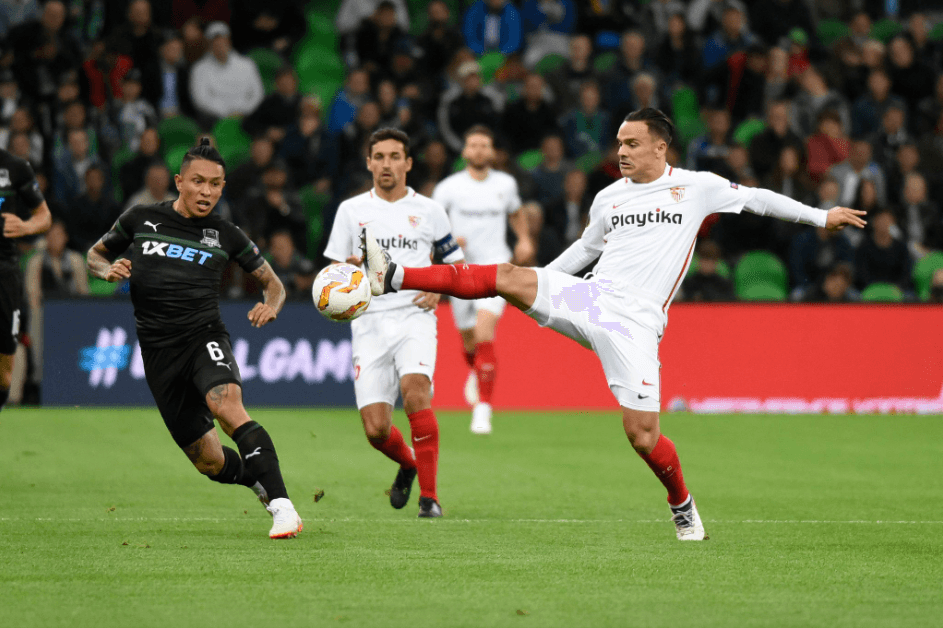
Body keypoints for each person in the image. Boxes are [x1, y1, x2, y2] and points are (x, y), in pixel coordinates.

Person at [361, 108, 867, 541]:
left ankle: (682, 504)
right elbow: (586, 249)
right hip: (593, 297)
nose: (621, 151)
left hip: (638, 323)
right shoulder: (609, 197)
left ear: (660, 147)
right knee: (509, 274)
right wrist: (530, 283)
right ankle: (398, 274)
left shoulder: (696, 187)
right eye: (619, 142)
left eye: (632, 143)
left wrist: (822, 218)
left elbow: (759, 197)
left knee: (643, 436)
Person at [85, 139, 302, 539]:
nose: (206, 192)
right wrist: (106, 270)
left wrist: (272, 304)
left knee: (227, 404)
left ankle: (283, 507)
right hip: (158, 353)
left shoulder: (226, 234)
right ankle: (259, 485)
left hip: (203, 336)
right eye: (198, 182)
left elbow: (273, 285)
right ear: (179, 181)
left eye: (215, 185)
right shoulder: (140, 218)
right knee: (209, 462)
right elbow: (95, 254)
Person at [323, 128, 465, 518]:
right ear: (369, 163)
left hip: (414, 316)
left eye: (394, 156)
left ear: (408, 163)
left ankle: (430, 498)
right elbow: (334, 267)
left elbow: (455, 265)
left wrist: (438, 289)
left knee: (415, 389)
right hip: (368, 323)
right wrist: (345, 273)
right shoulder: (351, 211)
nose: (387, 164)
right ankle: (409, 463)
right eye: (379, 156)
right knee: (376, 430)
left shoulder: (430, 211)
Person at [432, 125, 533, 434]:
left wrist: (525, 239)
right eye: (473, 145)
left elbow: (516, 213)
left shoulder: (505, 184)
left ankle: (483, 410)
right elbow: (432, 225)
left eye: (484, 145)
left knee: (483, 330)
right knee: (469, 339)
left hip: (495, 268)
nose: (478, 150)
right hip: (460, 270)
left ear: (492, 152)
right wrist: (448, 241)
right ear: (464, 151)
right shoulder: (448, 188)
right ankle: (478, 371)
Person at [0, 146, 52, 414]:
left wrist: (25, 226)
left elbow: (44, 216)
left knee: (4, 374)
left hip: (4, 272)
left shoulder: (16, 168)